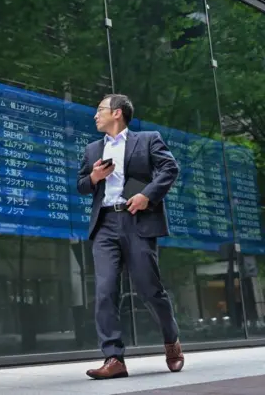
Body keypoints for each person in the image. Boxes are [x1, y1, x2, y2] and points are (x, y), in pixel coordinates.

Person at [76, 93, 184, 379]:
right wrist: (95, 178)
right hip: (105, 224)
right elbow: (82, 185)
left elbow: (170, 168)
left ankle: (171, 340)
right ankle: (114, 358)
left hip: (138, 220)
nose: (95, 115)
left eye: (100, 110)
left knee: (150, 289)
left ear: (118, 113)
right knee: (105, 290)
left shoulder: (148, 139)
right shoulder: (92, 150)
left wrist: (147, 196)